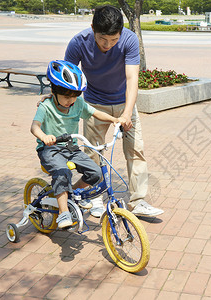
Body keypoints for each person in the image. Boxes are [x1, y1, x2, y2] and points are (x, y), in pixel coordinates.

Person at [64, 4, 163, 218]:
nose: (108, 45)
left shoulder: (128, 40)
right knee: (93, 153)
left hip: (124, 103)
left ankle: (138, 201)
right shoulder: (78, 43)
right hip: (94, 105)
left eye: (113, 39)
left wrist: (127, 113)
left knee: (136, 150)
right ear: (92, 28)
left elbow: (132, 78)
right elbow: (66, 79)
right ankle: (94, 198)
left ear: (121, 32)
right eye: (102, 39)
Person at [31, 60, 118, 228]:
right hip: (50, 149)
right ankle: (63, 213)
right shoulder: (46, 105)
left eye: (74, 96)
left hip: (70, 148)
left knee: (95, 173)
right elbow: (35, 126)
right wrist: (44, 136)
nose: (71, 101)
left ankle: (71, 194)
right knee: (62, 172)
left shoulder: (78, 104)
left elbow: (95, 113)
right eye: (66, 96)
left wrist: (114, 119)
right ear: (53, 91)